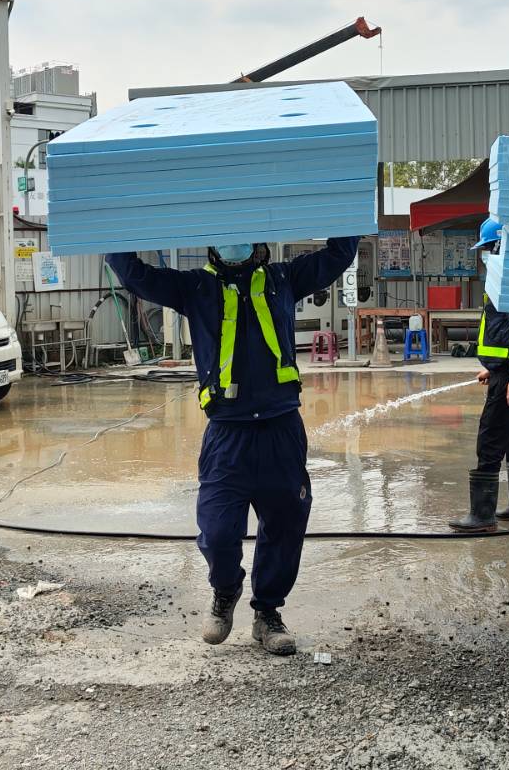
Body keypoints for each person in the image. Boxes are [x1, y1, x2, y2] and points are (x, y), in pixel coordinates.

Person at [107, 237, 360, 655]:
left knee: (285, 526)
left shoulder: (283, 279)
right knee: (219, 531)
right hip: (228, 434)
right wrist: (112, 232)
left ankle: (267, 614)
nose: (233, 245)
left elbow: (337, 255)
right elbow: (136, 275)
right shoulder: (194, 288)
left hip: (281, 428)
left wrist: (347, 213)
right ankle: (225, 592)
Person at [450, 218, 509, 532]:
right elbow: (502, 330)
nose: (485, 254)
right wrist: (495, 366)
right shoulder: (507, 276)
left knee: (489, 440)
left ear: (500, 245)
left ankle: (481, 516)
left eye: (488, 248)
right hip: (505, 372)